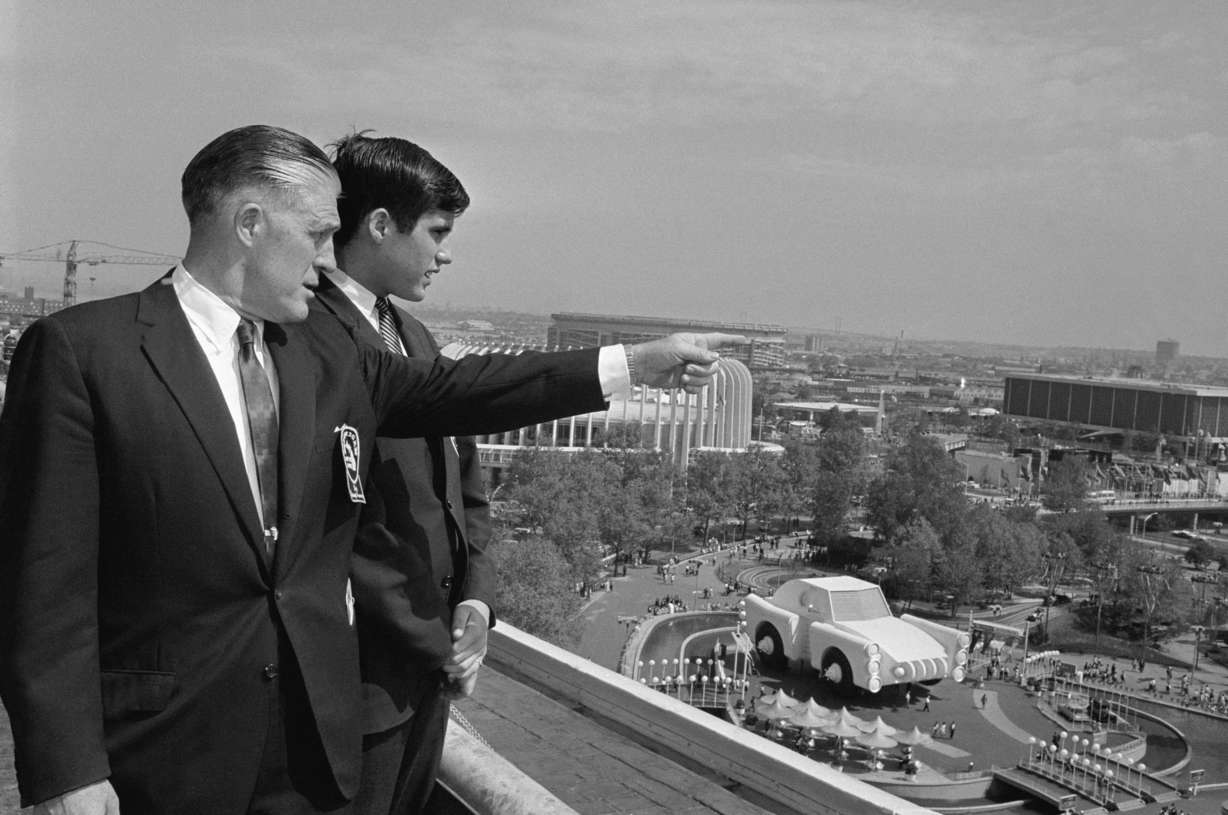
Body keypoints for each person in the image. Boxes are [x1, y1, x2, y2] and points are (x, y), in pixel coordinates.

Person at [0, 124, 740, 815]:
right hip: (159, 756)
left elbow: (470, 391)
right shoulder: (82, 354)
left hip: (312, 752)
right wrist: (66, 766)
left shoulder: (329, 355)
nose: (329, 257)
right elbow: (44, 585)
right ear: (250, 224)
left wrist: (635, 363)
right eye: (319, 232)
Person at [313, 132, 492, 814]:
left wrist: (477, 600)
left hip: (429, 682)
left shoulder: (416, 342)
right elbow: (339, 530)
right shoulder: (313, 344)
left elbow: (466, 490)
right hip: (357, 687)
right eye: (437, 232)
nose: (445, 254)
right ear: (381, 225)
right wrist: (433, 643)